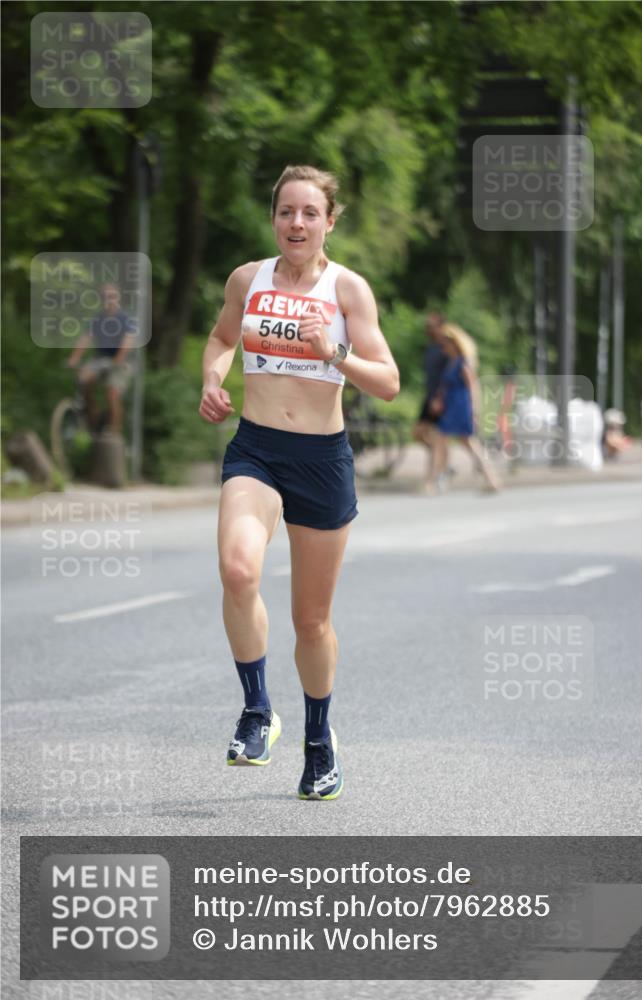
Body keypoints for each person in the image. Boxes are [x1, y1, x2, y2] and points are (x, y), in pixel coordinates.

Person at [199, 165, 400, 800]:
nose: (297, 223)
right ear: (274, 218)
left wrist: (332, 352)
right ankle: (257, 711)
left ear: (329, 222)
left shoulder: (348, 290)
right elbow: (221, 338)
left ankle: (319, 741)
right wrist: (212, 380)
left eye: (311, 213)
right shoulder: (247, 280)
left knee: (311, 621)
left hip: (321, 459)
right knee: (238, 571)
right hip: (257, 449)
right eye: (287, 211)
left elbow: (388, 382)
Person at [423, 323, 501, 494]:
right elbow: (445, 387)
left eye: (445, 343)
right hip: (451, 407)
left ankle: (433, 482)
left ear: (454, 343)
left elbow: (473, 387)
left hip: (461, 408)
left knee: (465, 443)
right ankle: (490, 479)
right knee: (448, 442)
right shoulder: (451, 363)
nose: (442, 347)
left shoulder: (463, 362)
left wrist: (475, 411)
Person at [66, 283, 136, 433]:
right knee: (83, 380)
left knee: (112, 393)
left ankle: (114, 432)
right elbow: (85, 338)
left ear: (118, 298)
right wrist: (74, 358)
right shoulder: (98, 319)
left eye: (112, 296)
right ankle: (94, 420)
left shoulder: (126, 319)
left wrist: (117, 361)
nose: (109, 300)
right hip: (101, 359)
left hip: (122, 361)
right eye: (105, 297)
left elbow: (127, 344)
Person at [413, 312, 449, 447]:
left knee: (439, 434)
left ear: (441, 327)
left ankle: (438, 457)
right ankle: (438, 455)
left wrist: (439, 398)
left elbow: (447, 376)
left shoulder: (446, 349)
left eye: (432, 326)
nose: (429, 329)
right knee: (418, 433)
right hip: (429, 396)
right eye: (428, 326)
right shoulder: (430, 347)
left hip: (440, 398)